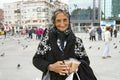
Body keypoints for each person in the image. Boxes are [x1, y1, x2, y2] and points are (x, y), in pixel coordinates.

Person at [33, 9, 97, 80]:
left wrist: (76, 66)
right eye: (58, 21)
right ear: (54, 22)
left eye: (65, 20)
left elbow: (85, 60)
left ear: (69, 21)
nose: (62, 24)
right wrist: (50, 66)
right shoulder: (47, 40)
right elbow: (36, 59)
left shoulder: (77, 41)